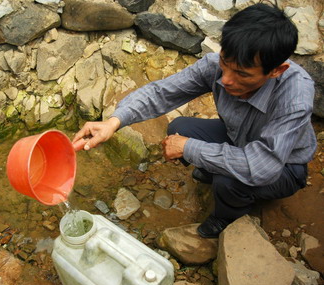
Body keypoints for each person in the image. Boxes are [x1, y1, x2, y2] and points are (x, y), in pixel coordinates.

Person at [72, 3, 317, 238]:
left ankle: (225, 217)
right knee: (180, 128)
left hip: (283, 166)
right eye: (225, 63)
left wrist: (189, 147)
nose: (226, 80)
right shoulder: (217, 67)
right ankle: (214, 172)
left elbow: (261, 166)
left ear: (276, 71)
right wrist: (113, 123)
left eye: (241, 73)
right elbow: (161, 93)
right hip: (237, 139)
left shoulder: (294, 96)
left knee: (228, 181)